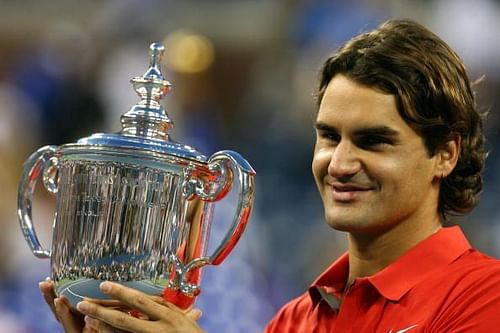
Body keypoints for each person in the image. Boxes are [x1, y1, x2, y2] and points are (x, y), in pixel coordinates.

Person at [39, 18, 500, 332]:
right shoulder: (293, 319)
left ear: (445, 154)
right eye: (329, 136)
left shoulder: (484, 296)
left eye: (373, 141)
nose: (339, 163)